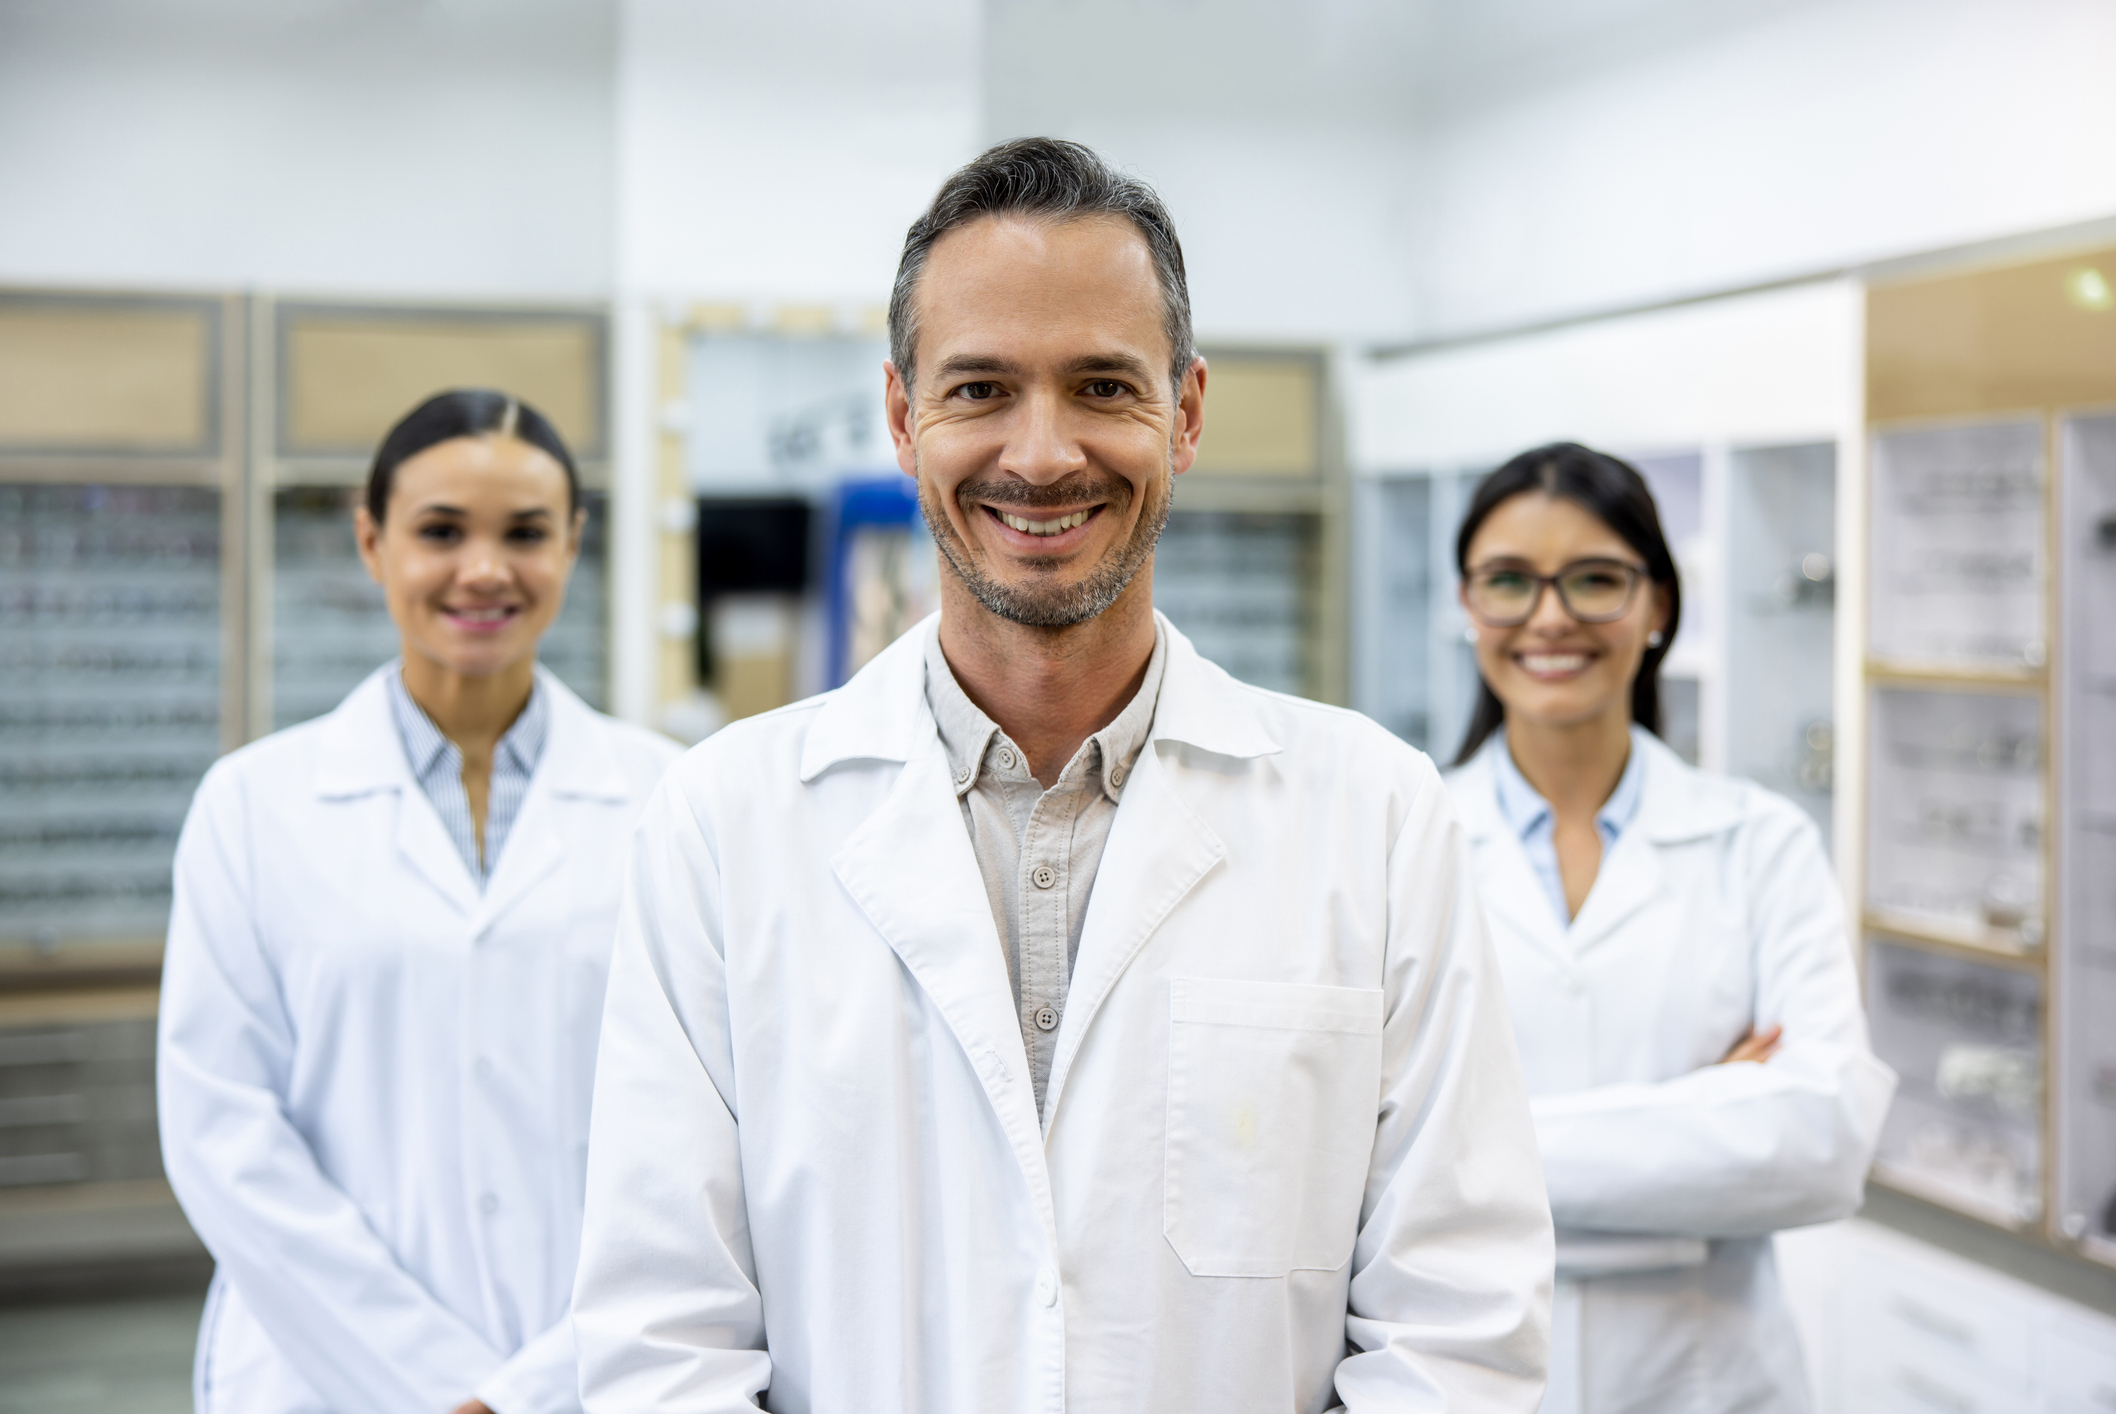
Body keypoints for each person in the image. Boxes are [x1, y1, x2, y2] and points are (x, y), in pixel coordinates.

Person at [571, 139, 1554, 1413]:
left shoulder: (1372, 816)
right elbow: (662, 1340)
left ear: (1185, 411)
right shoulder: (722, 823)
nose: (1041, 455)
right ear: (900, 412)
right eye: (979, 388)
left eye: (1101, 385)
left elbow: (1459, 1327)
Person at [158, 390, 681, 1414]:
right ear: (371, 541)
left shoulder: (671, 798)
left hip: (591, 1372)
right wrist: (444, 1392)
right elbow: (224, 1134)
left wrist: (536, 1386)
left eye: (525, 532)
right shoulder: (253, 806)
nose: (483, 569)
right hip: (320, 1376)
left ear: (573, 545)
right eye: (441, 531)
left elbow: (703, 1137)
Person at [1441, 443, 1895, 1414]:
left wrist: (1476, 1147)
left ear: (1657, 606)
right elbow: (1345, 1156)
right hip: (1465, 1376)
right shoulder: (1403, 842)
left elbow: (1821, 1141)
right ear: (1466, 606)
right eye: (1509, 581)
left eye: (1594, 580)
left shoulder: (1757, 843)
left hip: (1707, 1382)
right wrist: (1704, 1109)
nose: (1550, 616)